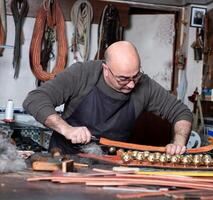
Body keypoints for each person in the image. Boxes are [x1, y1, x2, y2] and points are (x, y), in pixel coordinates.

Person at [23, 41, 193, 155]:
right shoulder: (83, 73)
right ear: (106, 69)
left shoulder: (144, 85)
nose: (132, 85)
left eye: (136, 76)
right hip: (66, 159)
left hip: (111, 165)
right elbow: (34, 99)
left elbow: (181, 112)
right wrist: (66, 129)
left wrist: (178, 142)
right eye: (123, 79)